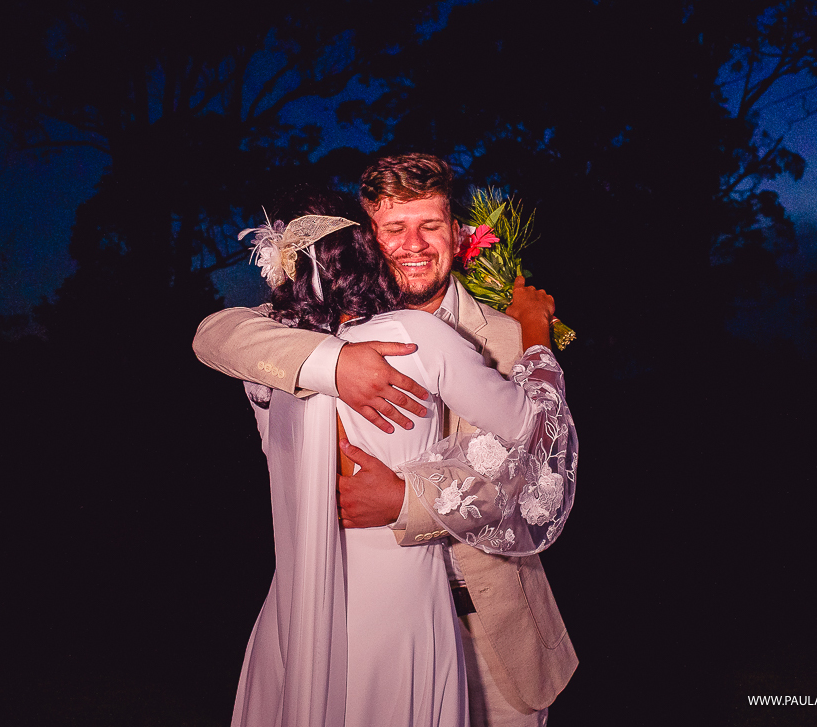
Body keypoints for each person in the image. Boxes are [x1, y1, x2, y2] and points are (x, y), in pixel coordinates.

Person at [195, 156, 578, 726]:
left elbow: (535, 472)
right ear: (364, 240)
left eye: (432, 225)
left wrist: (406, 502)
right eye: (394, 228)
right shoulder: (312, 330)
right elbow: (215, 333)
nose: (415, 244)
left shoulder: (506, 334)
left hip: (497, 639)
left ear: (458, 233)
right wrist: (335, 361)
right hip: (355, 623)